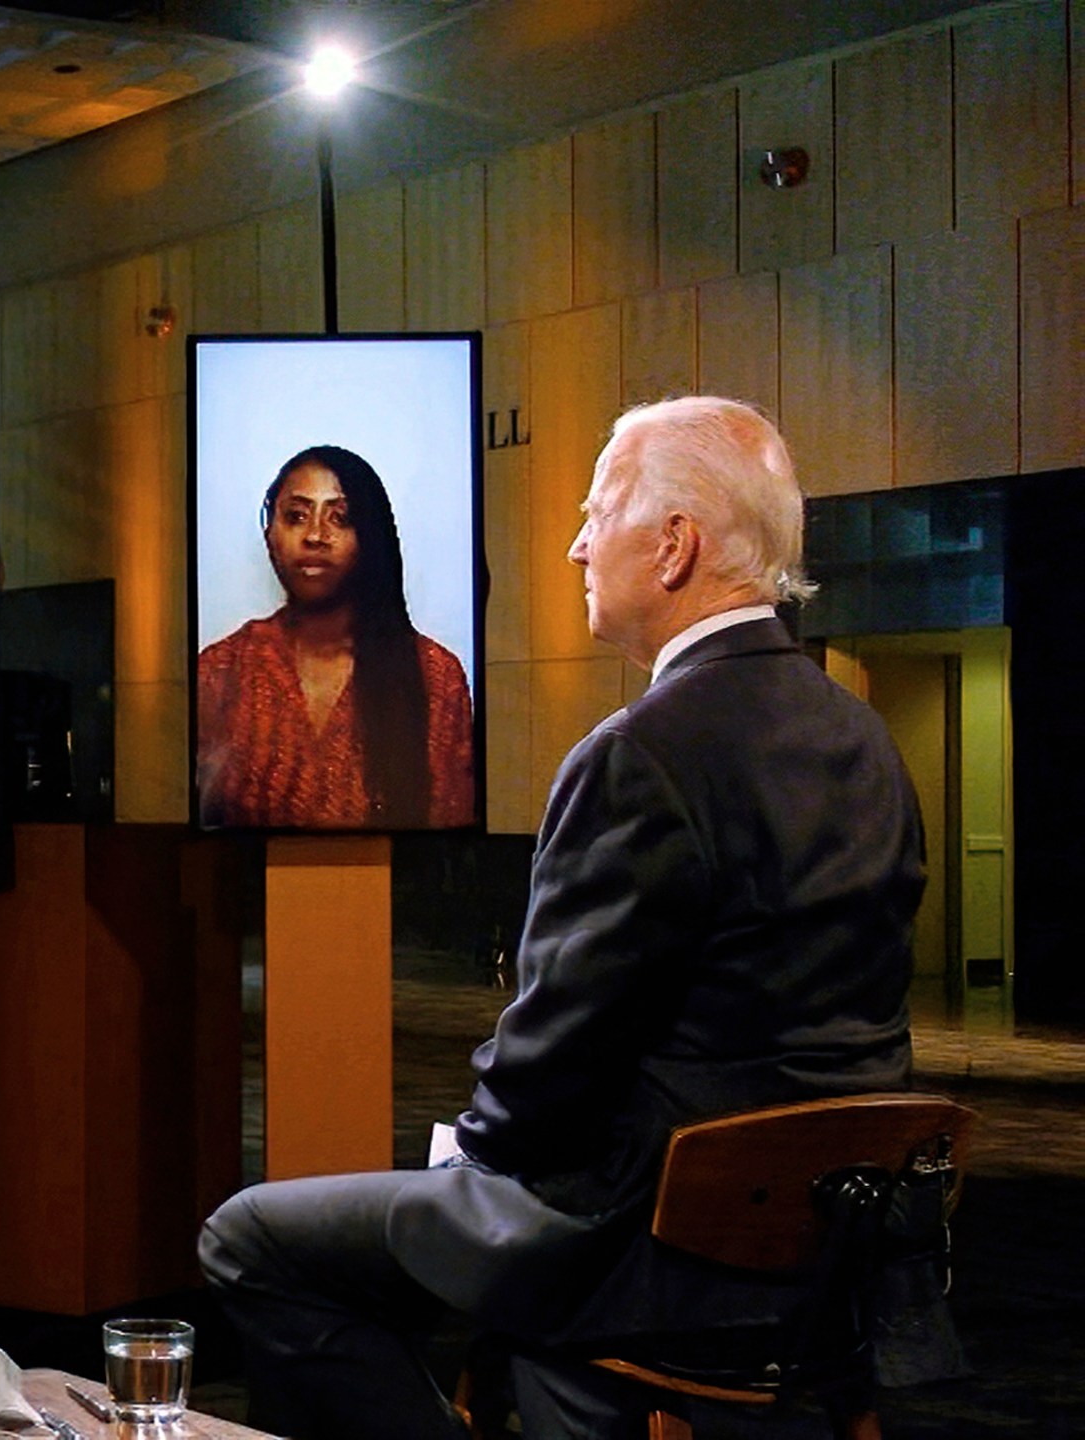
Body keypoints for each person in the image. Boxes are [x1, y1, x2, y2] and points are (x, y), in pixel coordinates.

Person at [197, 397, 925, 1438]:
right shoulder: (865, 743)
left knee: (248, 1239)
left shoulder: (642, 754)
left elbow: (554, 1061)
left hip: (635, 1244)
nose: (577, 544)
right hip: (825, 1256)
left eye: (596, 512)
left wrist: (470, 1153)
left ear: (673, 545)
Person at [195, 444, 472, 829]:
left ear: (370, 537)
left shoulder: (434, 676)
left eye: (340, 518)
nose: (315, 535)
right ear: (269, 533)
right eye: (296, 516)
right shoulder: (221, 670)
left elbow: (450, 838)